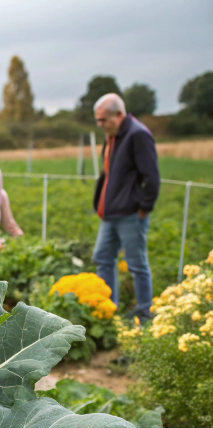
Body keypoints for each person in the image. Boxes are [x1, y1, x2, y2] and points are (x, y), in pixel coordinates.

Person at [92, 93, 160, 321]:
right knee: (103, 257)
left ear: (119, 114)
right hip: (110, 213)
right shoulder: (113, 134)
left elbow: (151, 177)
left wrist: (143, 209)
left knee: (136, 263)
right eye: (98, 120)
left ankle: (145, 312)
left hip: (130, 213)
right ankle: (109, 310)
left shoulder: (138, 135)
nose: (100, 124)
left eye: (104, 120)